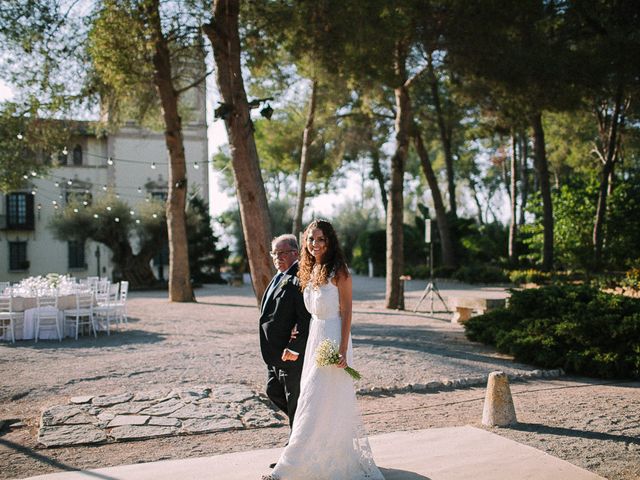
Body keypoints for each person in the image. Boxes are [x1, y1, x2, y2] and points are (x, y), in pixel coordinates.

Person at [263, 220, 384, 480]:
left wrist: (341, 349)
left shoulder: (339, 271)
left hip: (333, 338)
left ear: (329, 242)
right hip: (315, 339)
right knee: (316, 401)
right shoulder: (310, 269)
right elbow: (307, 311)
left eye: (320, 239)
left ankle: (287, 468)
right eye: (310, 239)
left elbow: (347, 311)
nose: (315, 244)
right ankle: (320, 457)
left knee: (315, 400)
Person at [259, 234, 311, 430]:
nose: (277, 257)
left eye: (282, 253)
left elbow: (306, 318)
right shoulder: (279, 277)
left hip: (290, 355)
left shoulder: (299, 278)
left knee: (294, 400)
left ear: (295, 253)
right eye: (274, 253)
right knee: (273, 391)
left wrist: (295, 348)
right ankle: (307, 427)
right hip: (274, 354)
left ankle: (295, 449)